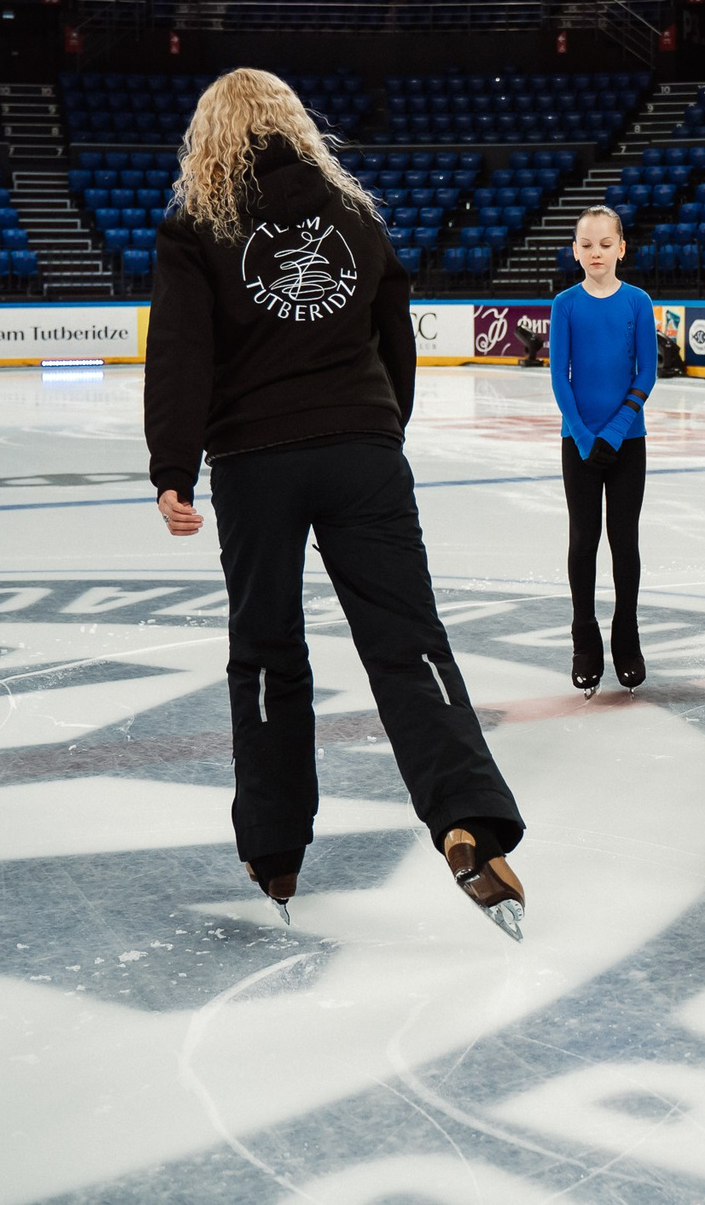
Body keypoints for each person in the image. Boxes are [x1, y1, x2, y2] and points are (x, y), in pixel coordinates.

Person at [145, 67, 527, 939]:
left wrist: (173, 468)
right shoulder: (354, 216)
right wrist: (380, 427)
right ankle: (469, 819)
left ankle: (274, 848)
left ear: (212, 139)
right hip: (361, 452)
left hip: (255, 465)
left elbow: (181, 354)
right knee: (408, 641)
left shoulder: (196, 226)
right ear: (294, 126)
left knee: (267, 651)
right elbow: (396, 336)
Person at [551, 205, 658, 696]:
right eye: (587, 245)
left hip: (627, 442)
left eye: (605, 244)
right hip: (579, 444)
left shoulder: (637, 301)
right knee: (583, 540)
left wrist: (615, 431)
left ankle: (627, 637)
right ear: (575, 251)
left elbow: (646, 373)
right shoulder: (565, 304)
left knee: (624, 541)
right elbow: (560, 377)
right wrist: (582, 435)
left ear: (621, 248)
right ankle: (584, 640)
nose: (596, 252)